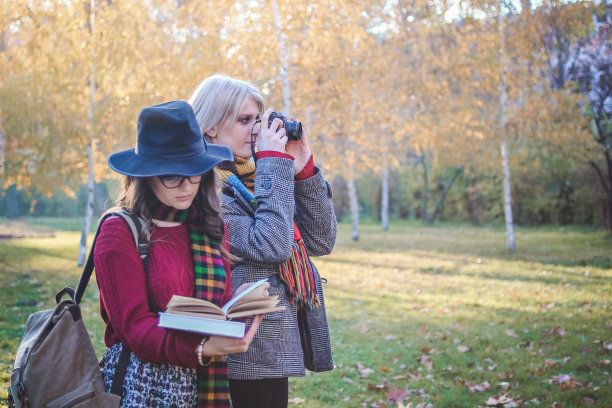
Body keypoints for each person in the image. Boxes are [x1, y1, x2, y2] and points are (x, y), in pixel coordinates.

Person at [95, 100, 265, 408]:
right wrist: (201, 349)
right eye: (172, 176)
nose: (186, 185)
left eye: (195, 172)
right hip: (143, 385)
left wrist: (239, 305)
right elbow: (134, 327)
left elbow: (213, 311)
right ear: (146, 175)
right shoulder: (120, 231)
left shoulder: (209, 224)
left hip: (205, 382)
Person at [189, 75, 337, 408]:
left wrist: (303, 171)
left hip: (273, 333)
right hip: (241, 338)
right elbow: (273, 245)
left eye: (257, 119)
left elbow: (321, 240)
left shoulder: (257, 175)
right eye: (245, 120)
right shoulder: (205, 185)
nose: (256, 130)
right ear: (210, 126)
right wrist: (274, 165)